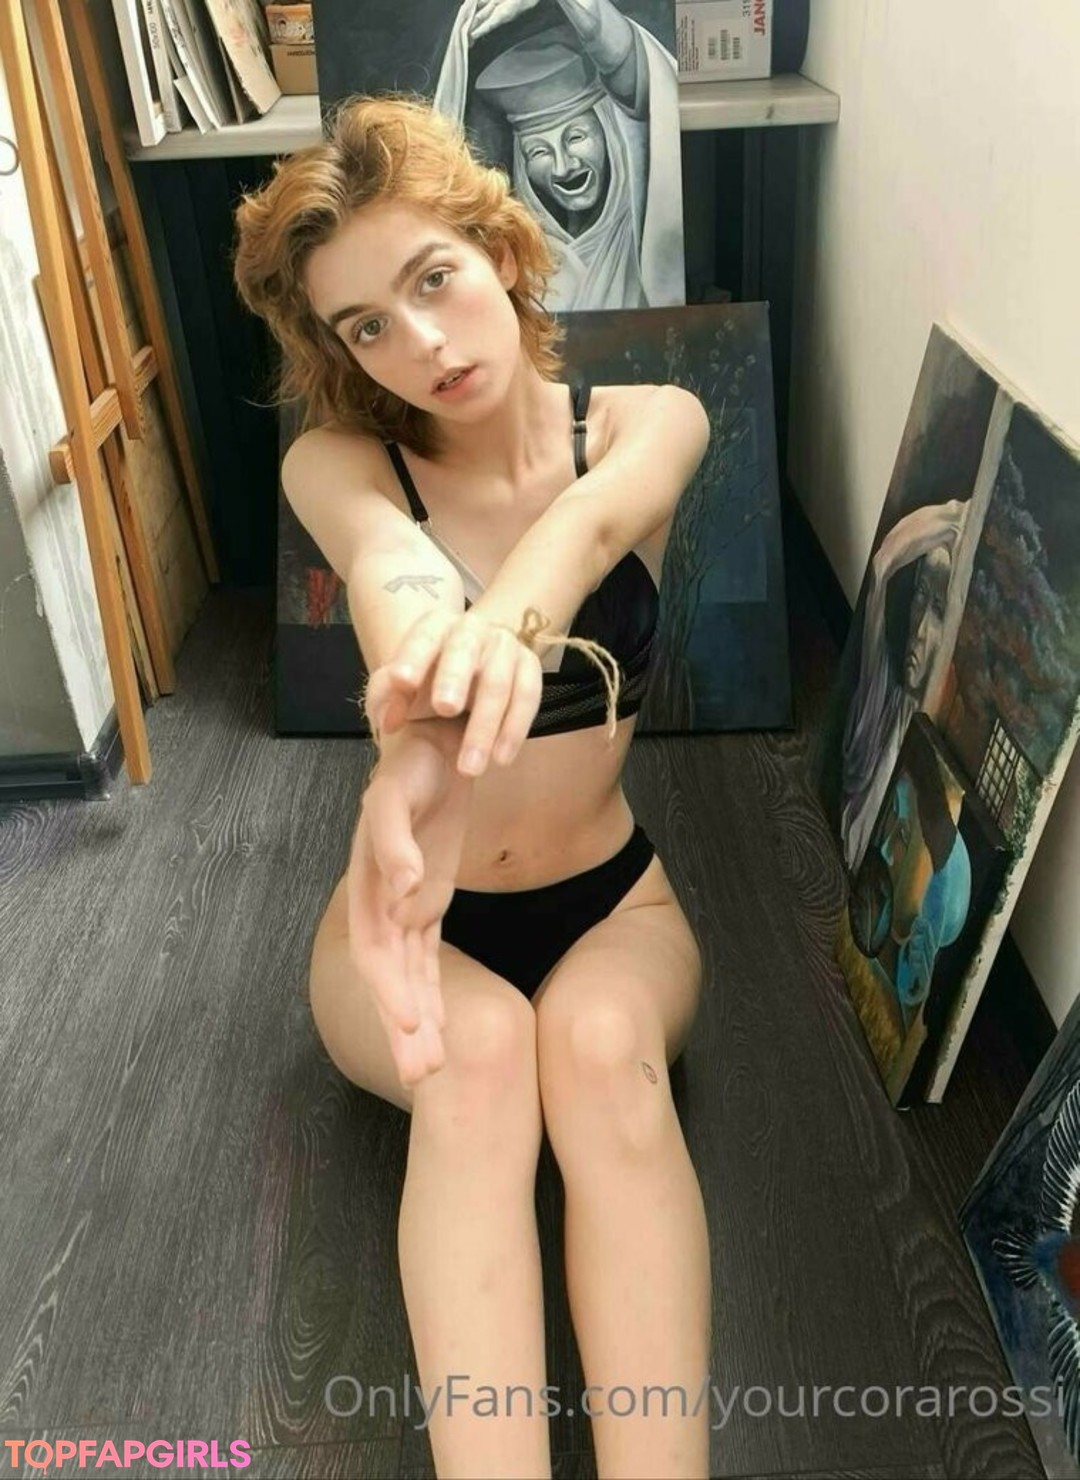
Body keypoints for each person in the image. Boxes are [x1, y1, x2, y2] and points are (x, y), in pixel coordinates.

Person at [233, 95, 712, 1479]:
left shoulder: (648, 422)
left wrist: (504, 629)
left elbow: (590, 527)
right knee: (480, 1063)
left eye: (432, 278)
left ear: (500, 248)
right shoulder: (339, 463)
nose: (420, 344)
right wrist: (423, 746)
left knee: (604, 1054)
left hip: (615, 903)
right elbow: (395, 581)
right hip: (407, 931)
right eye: (367, 326)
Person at [435, 0, 684, 309]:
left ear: (610, 130)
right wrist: (461, 41)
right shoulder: (515, 258)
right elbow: (439, 175)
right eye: (539, 151)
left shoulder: (643, 222)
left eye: (576, 137)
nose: (563, 167)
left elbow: (638, 71)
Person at [840, 498, 969, 874]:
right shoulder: (883, 696)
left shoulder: (943, 736)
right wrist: (956, 519)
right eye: (921, 596)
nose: (921, 628)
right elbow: (883, 566)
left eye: (939, 609)